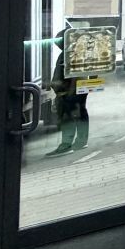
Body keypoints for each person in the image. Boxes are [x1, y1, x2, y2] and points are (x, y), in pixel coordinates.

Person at [47, 25, 89, 156]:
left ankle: (66, 145)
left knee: (68, 116)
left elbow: (75, 75)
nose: (58, 44)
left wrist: (68, 92)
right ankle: (81, 141)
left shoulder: (72, 53)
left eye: (60, 42)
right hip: (77, 88)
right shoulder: (75, 51)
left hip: (72, 90)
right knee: (80, 113)